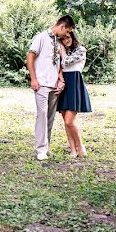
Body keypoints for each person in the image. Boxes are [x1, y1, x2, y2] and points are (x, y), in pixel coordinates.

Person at [26, 15, 75, 160]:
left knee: (49, 117)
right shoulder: (41, 37)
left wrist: (61, 81)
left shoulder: (57, 42)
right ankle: (40, 149)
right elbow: (30, 57)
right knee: (42, 115)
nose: (67, 35)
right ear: (62, 27)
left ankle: (45, 147)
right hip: (41, 84)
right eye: (67, 32)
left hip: (54, 85)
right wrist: (33, 79)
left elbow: (57, 63)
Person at [57, 30, 91, 157]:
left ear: (72, 36)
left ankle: (81, 146)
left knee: (69, 121)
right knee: (65, 120)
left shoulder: (81, 50)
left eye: (68, 37)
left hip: (75, 84)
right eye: (63, 39)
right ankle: (72, 149)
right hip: (64, 83)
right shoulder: (61, 51)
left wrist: (61, 50)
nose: (66, 40)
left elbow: (65, 62)